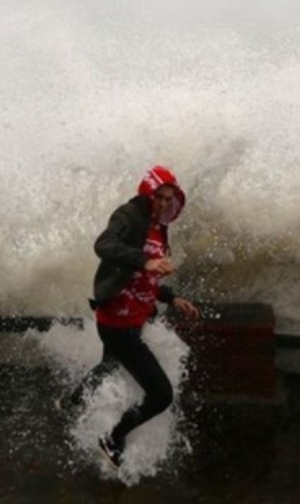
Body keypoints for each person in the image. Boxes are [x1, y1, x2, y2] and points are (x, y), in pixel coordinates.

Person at [65, 165, 200, 468]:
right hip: (118, 321)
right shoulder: (129, 216)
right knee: (161, 394)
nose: (163, 203)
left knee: (110, 364)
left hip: (134, 318)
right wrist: (145, 261)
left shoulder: (159, 227)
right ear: (147, 193)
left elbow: (147, 277)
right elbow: (104, 245)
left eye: (169, 199)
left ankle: (72, 400)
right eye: (159, 197)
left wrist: (172, 297)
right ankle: (113, 437)